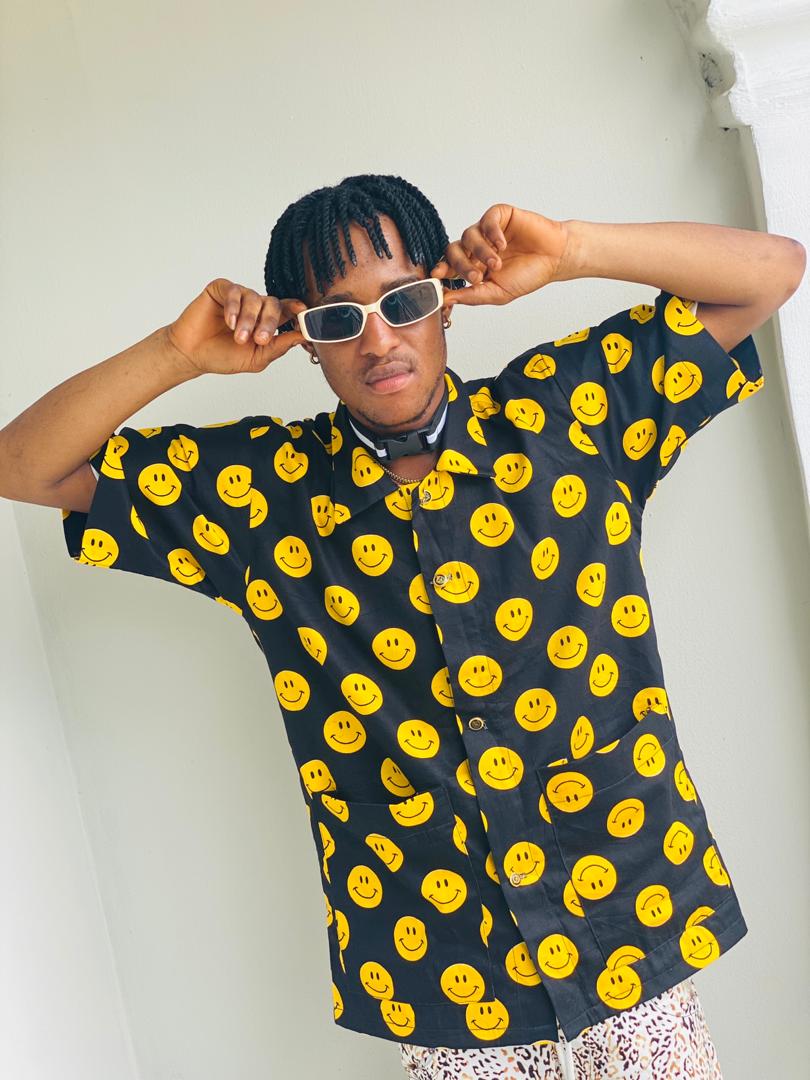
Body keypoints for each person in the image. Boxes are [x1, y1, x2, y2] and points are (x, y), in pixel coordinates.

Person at [0, 174, 803, 1079]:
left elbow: (772, 271)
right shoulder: (262, 496)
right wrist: (178, 354)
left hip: (628, 912)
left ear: (445, 299)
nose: (378, 340)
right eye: (338, 319)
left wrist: (573, 250)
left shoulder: (572, 415)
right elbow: (23, 465)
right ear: (304, 340)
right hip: (445, 968)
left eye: (404, 301)